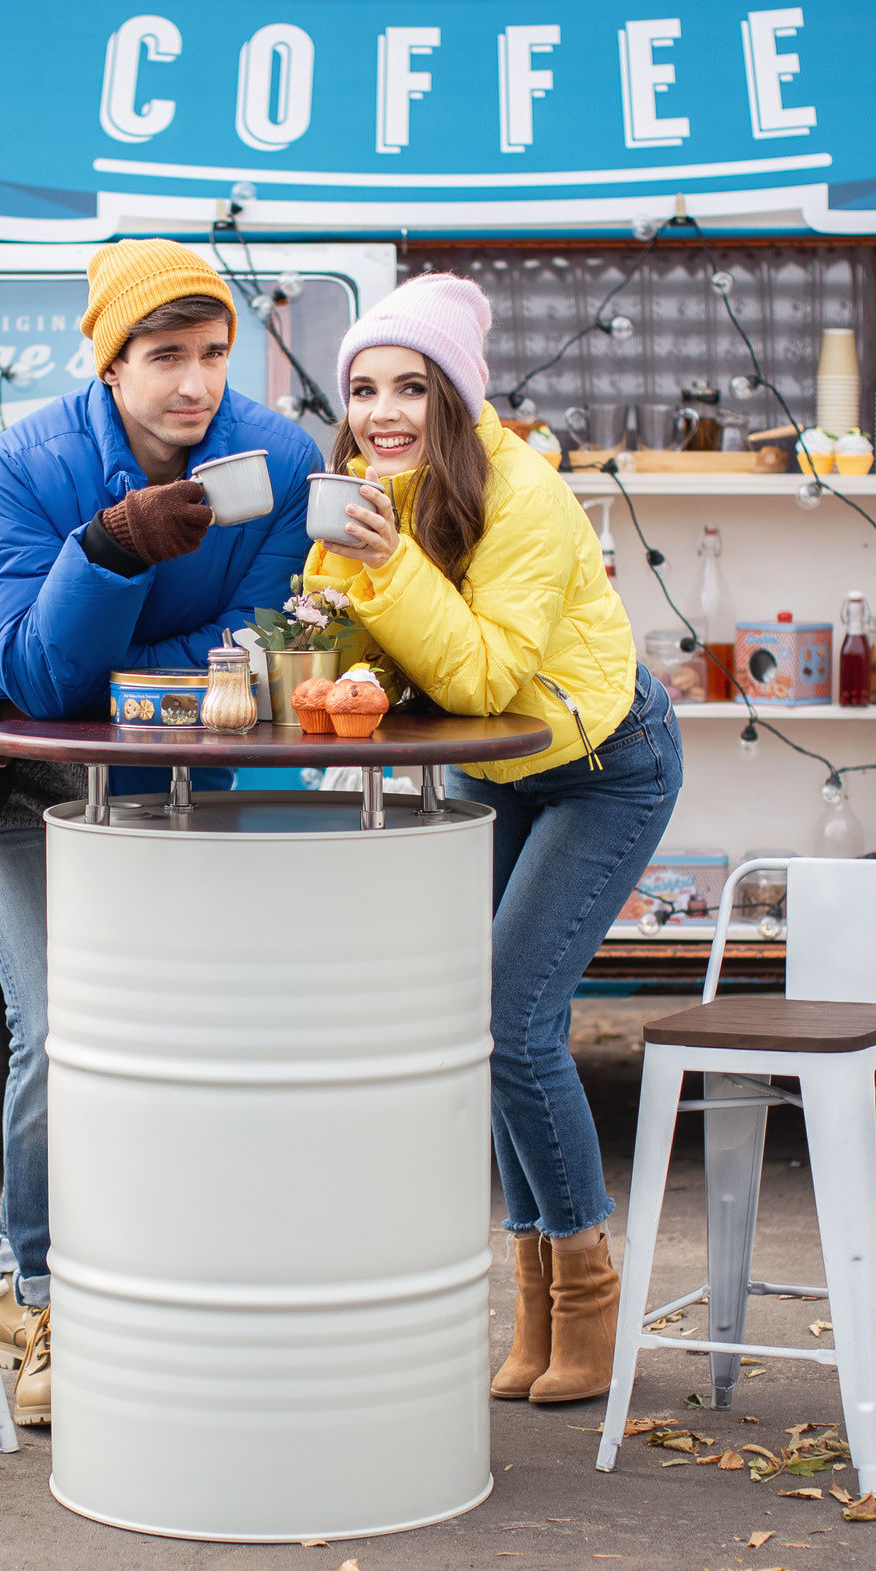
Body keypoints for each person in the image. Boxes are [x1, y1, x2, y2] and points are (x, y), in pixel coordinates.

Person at [0, 239, 316, 1426]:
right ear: (110, 361)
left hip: (179, 788)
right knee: (60, 1037)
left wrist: (120, 674)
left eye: (212, 354)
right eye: (163, 357)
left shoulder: (281, 459)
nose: (193, 383)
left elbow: (262, 641)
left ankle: (163, 1289)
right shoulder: (19, 470)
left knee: (197, 1042)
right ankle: (30, 1295)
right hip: (27, 796)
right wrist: (108, 551)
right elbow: (31, 672)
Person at [303, 274, 683, 1404]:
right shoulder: (373, 492)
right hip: (494, 764)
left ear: (456, 398)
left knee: (502, 1017)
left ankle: (589, 1286)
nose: (383, 411)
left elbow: (478, 671)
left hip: (602, 766)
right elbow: (334, 639)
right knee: (500, 1032)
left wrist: (381, 560)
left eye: (410, 387)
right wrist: (308, 633)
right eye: (364, 388)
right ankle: (535, 1302)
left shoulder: (526, 496)